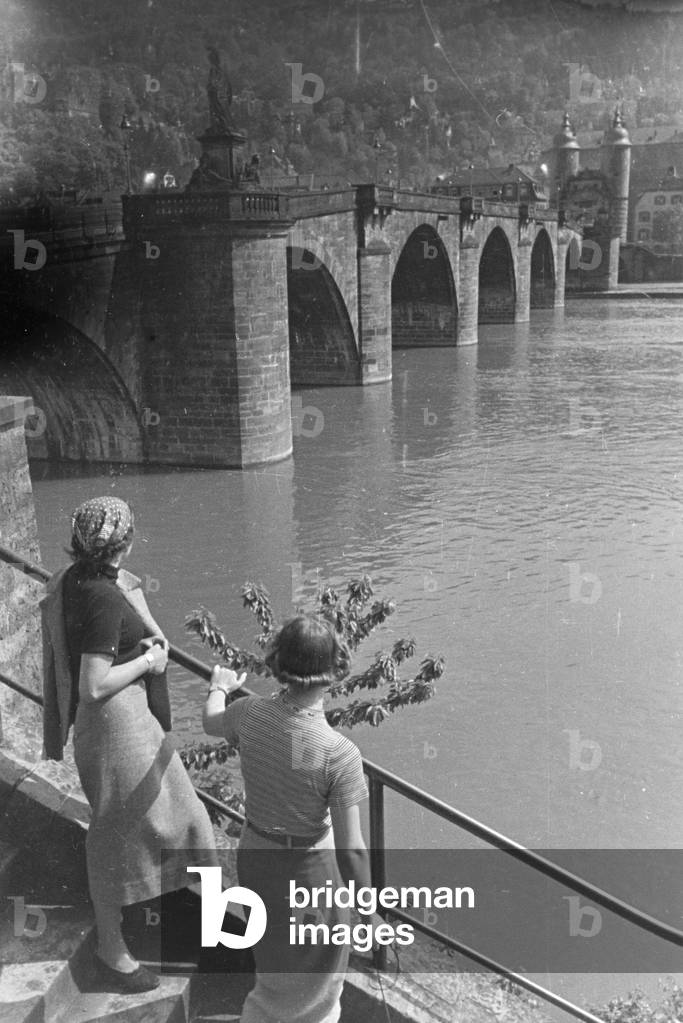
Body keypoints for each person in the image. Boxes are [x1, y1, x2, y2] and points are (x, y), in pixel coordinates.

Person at [47, 497, 217, 993]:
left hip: (125, 722)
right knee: (117, 831)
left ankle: (202, 930)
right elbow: (92, 684)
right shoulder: (100, 596)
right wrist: (151, 663)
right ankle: (111, 949)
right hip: (115, 724)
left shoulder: (81, 579)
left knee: (183, 817)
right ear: (128, 541)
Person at [203, 614, 381, 1023]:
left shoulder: (248, 713)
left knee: (273, 968)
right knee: (317, 988)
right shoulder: (339, 753)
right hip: (310, 872)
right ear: (335, 671)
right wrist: (368, 910)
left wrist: (219, 686)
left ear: (279, 664)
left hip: (256, 858)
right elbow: (352, 848)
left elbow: (211, 721)